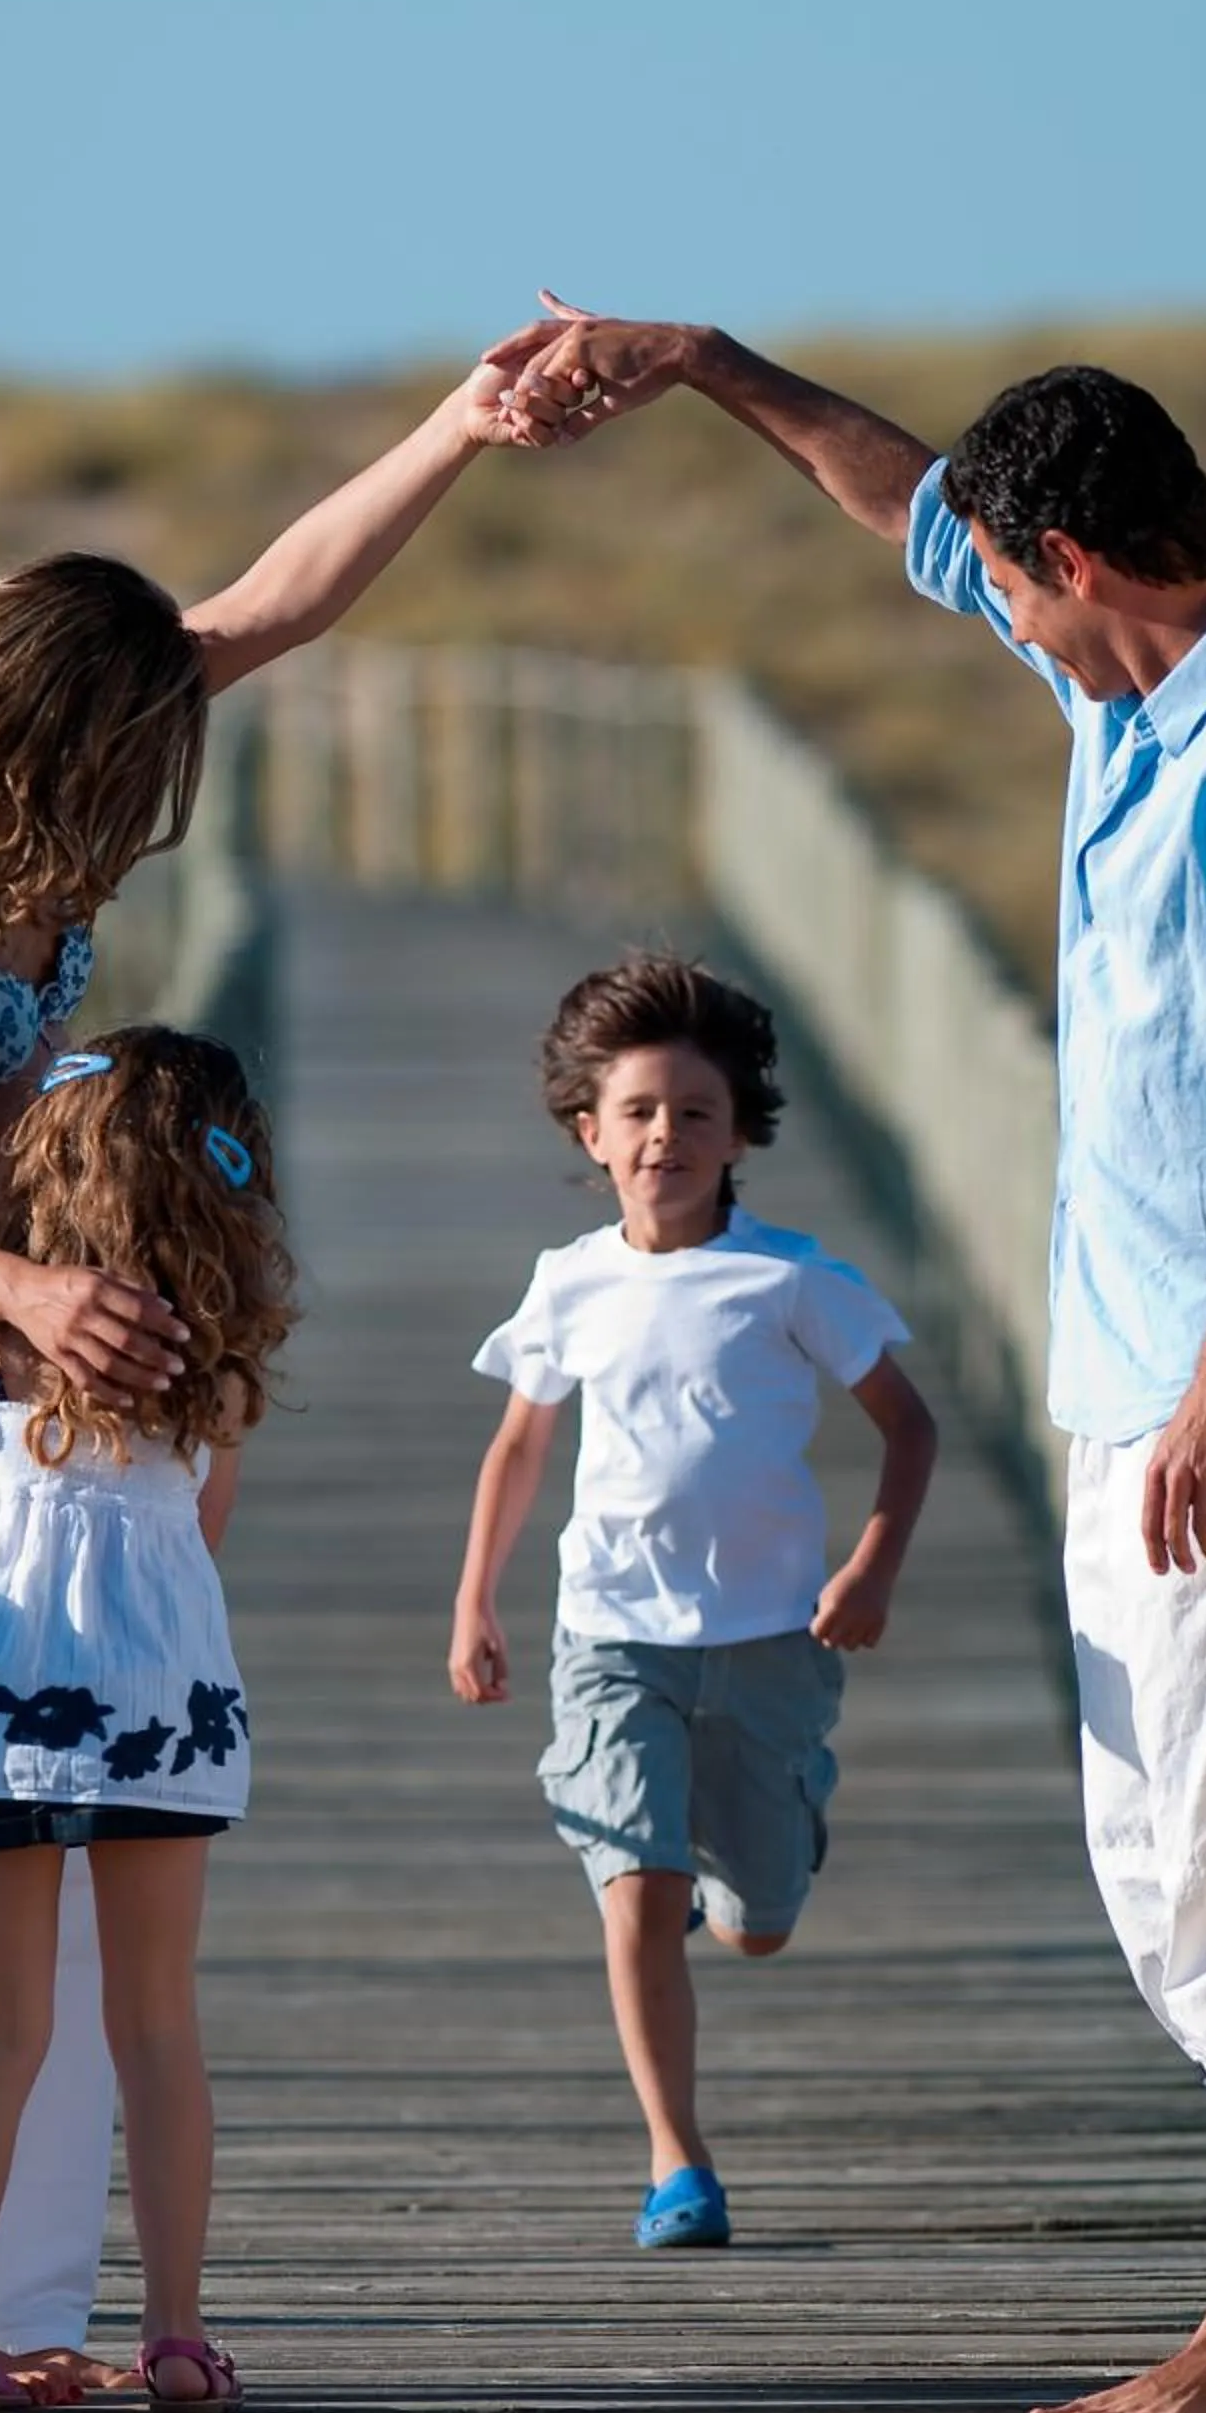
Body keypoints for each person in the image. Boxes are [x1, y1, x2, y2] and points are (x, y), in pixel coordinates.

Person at [494, 299, 1206, 2413]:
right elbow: (907, 506)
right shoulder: (1138, 691)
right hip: (1151, 1381)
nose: (982, 601)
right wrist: (709, 362)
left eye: (1006, 580)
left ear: (1079, 563)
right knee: (1169, 1842)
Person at [0, 354, 541, 2400]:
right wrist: (0, 1292)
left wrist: (458, 430)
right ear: (33, 729)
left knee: (44, 1906)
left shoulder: (71, 810)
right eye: (121, 755)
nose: (148, 796)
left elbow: (275, 600)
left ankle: (16, 2323)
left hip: (65, 1373)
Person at [0, 1025, 291, 2413]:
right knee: (155, 2025)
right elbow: (203, 1529)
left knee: (0, 2026)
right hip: (163, 1706)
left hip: (5, 1697)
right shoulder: (212, 1362)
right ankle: (180, 2335)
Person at [448, 953, 937, 2247]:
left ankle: (768, 1860)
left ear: (738, 1136)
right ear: (590, 1133)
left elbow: (908, 1427)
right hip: (611, 1637)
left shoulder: (789, 1279)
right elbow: (518, 1448)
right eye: (640, 1113)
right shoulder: (568, 1282)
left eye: (695, 1114)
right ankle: (678, 2162)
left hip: (770, 1640)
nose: (666, 1135)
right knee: (635, 1887)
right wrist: (476, 1604)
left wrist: (870, 1565)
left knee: (753, 1926)